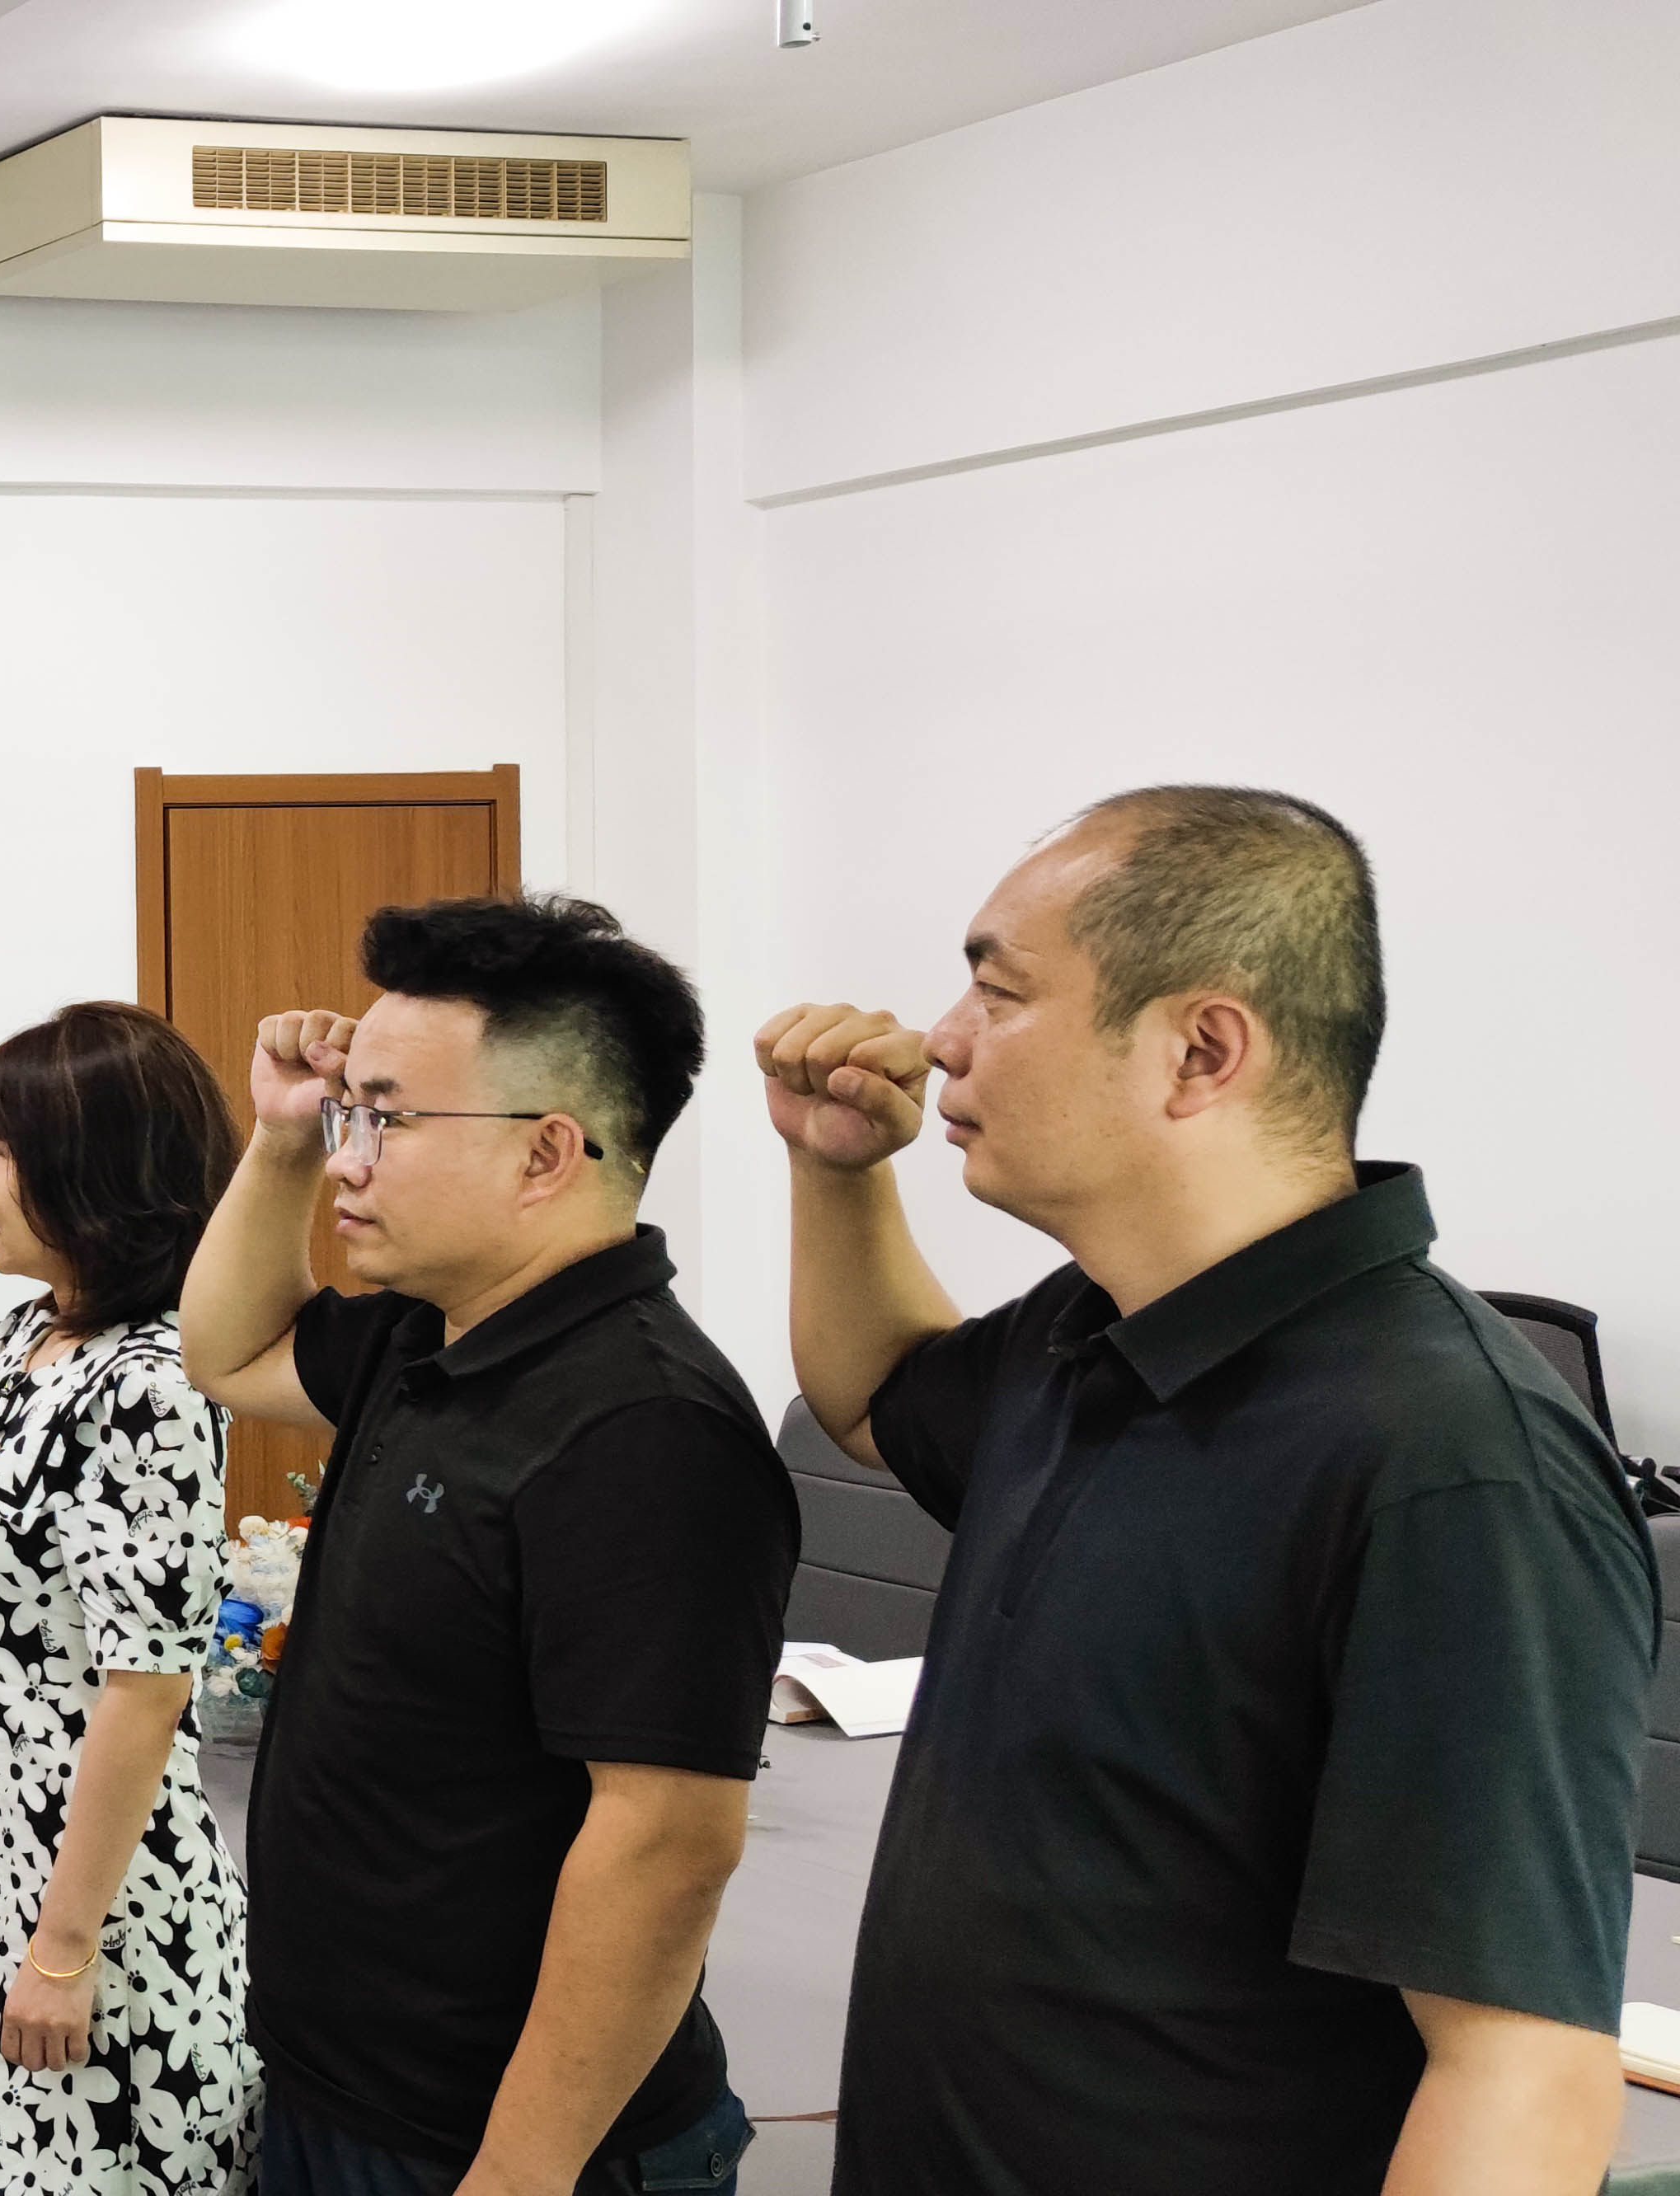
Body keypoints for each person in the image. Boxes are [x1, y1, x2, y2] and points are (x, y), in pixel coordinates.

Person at [755, 786, 1645, 2196]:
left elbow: (1522, 2074)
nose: (943, 1038)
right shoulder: (1096, 1328)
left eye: (999, 989)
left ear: (1201, 1051)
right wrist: (836, 1171)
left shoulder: (1452, 1462)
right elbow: (875, 1397)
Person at [174, 897, 787, 2196]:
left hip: (498, 2142)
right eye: (348, 1117)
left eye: (386, 1121)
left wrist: (520, 2170)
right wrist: (278, 1138)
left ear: (546, 1152)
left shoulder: (644, 1425)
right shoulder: (429, 1335)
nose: (348, 1163)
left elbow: (669, 1845)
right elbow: (225, 1351)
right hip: (344, 2087)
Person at [0, 1005, 256, 2196]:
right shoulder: (37, 1338)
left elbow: (146, 1691)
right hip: (11, 1839)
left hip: (105, 1877)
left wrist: (61, 1946)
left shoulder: (150, 1380)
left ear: (89, 1175)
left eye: (0, 1152)